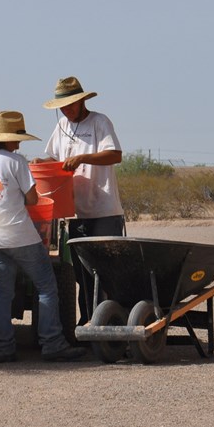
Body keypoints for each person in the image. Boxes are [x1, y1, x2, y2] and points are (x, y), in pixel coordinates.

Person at [0, 111, 86, 363]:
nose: (19, 142)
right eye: (17, 137)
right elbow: (33, 199)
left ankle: (4, 349)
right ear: (7, 139)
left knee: (3, 292)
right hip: (20, 236)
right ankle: (52, 344)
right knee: (47, 287)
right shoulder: (16, 161)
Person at [34, 76, 125, 326]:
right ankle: (88, 321)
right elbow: (53, 159)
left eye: (71, 105)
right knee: (82, 273)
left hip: (103, 209)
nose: (66, 110)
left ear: (82, 101)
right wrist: (41, 163)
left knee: (108, 270)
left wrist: (83, 158)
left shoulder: (99, 122)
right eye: (62, 107)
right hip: (75, 211)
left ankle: (112, 322)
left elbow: (115, 155)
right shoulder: (61, 126)